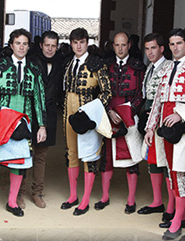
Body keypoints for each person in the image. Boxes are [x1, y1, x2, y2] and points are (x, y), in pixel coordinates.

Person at [144, 28, 185, 239]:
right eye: (172, 44)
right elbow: (158, 103)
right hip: (164, 126)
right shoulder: (166, 69)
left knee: (180, 173)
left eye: (179, 43)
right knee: (171, 171)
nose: (175, 47)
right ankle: (182, 215)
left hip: (184, 128)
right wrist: (150, 127)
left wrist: (182, 115)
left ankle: (177, 220)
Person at [0, 28, 46, 221]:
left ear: (28, 46)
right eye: (18, 43)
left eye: (25, 44)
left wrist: (41, 125)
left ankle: (12, 202)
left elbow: (38, 99)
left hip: (24, 124)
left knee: (19, 163)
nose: (21, 47)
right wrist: (1, 113)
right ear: (11, 45)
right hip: (2, 122)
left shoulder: (34, 69)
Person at [61, 27, 111, 216]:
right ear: (71, 44)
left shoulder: (97, 63)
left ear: (87, 43)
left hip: (87, 112)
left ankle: (85, 200)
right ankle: (73, 195)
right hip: (68, 110)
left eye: (81, 42)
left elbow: (107, 92)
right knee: (71, 153)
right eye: (75, 42)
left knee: (89, 156)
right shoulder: (68, 62)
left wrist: (92, 113)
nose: (78, 46)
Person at [99, 31, 144, 215]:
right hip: (109, 115)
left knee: (131, 158)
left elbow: (142, 93)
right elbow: (100, 91)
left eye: (123, 45)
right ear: (113, 46)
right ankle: (104, 197)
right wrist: (109, 109)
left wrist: (130, 111)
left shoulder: (138, 67)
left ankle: (131, 200)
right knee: (107, 157)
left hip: (129, 116)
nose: (120, 48)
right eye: (117, 45)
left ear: (129, 45)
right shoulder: (106, 66)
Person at [29, 33, 64, 208]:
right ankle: (19, 193)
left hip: (49, 113)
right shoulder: (31, 61)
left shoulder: (61, 63)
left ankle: (37, 192)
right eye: (47, 45)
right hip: (30, 112)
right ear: (41, 45)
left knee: (41, 155)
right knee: (25, 154)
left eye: (54, 45)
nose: (50, 49)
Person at [137, 33, 170, 216]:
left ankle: (171, 206)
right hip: (150, 119)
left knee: (166, 163)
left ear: (162, 48)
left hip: (163, 119)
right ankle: (157, 201)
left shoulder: (168, 67)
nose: (150, 52)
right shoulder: (150, 68)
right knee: (153, 161)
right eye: (147, 48)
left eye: (153, 48)